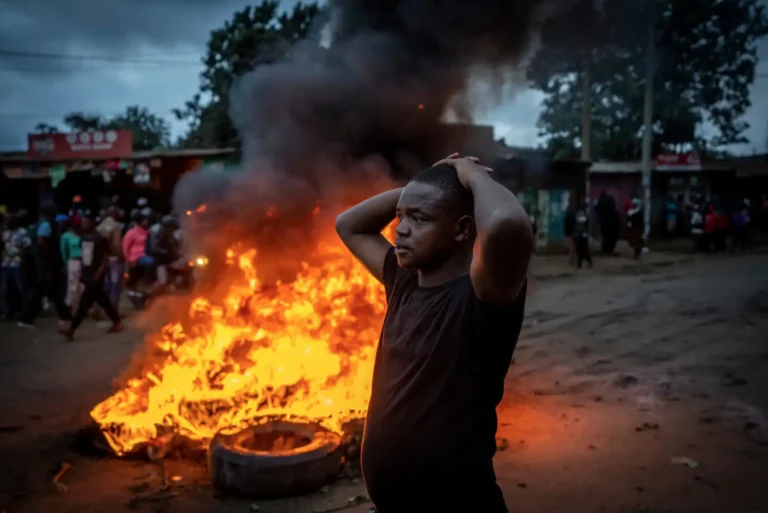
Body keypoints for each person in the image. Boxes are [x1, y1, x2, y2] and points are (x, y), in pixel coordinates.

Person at [336, 153, 532, 513]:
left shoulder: (482, 297)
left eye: (420, 219)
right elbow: (348, 225)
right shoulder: (403, 282)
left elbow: (507, 224)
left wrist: (470, 175)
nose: (400, 229)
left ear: (461, 229)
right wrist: (422, 188)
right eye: (401, 217)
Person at [62, 216, 121, 341]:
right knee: (103, 300)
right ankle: (117, 322)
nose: (83, 224)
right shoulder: (82, 238)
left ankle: (71, 329)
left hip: (95, 276)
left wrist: (99, 273)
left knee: (84, 303)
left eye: (86, 222)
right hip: (86, 275)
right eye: (83, 222)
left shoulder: (100, 238)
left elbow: (106, 258)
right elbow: (84, 257)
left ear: (93, 223)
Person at [20, 203, 71, 329]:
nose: (56, 211)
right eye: (54, 210)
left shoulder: (51, 224)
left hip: (50, 262)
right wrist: (51, 254)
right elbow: (41, 242)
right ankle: (27, 318)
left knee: (54, 290)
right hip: (46, 263)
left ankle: (65, 316)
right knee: (42, 289)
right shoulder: (45, 224)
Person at [1, 213, 32, 319]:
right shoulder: (6, 233)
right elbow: (4, 246)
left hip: (18, 262)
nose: (6, 223)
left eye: (8, 221)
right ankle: (7, 311)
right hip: (6, 263)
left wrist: (23, 259)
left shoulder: (22, 233)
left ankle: (25, 311)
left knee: (21, 288)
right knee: (4, 288)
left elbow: (27, 246)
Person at [97, 207, 125, 310]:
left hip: (103, 259)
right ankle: (112, 309)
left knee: (105, 285)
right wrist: (121, 256)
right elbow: (116, 244)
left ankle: (99, 308)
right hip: (114, 259)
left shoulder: (100, 226)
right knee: (115, 285)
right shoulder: (116, 226)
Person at [123, 214, 150, 306]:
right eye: (144, 220)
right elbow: (125, 247)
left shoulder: (148, 232)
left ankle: (139, 297)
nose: (146, 222)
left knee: (139, 280)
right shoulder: (132, 233)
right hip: (135, 258)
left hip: (145, 257)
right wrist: (128, 259)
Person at [60, 215, 83, 308]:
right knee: (73, 286)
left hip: (84, 263)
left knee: (82, 287)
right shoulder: (66, 236)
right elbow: (63, 251)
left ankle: (81, 307)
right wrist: (64, 264)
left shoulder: (83, 234)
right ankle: (70, 307)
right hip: (72, 262)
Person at [574, 203, 593, 268]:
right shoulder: (580, 215)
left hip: (583, 235)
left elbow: (588, 226)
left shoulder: (584, 215)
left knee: (583, 249)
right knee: (580, 249)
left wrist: (587, 234)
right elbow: (577, 225)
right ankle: (581, 263)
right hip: (580, 234)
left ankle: (587, 261)